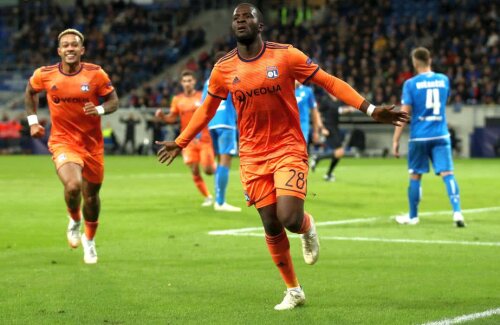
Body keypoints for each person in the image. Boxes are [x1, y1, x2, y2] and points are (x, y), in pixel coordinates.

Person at [156, 3, 408, 311]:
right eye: (236, 18)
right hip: (252, 155)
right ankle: (293, 289)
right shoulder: (223, 68)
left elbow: (328, 81)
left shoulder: (287, 55)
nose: (240, 21)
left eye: (247, 16)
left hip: (287, 147)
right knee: (270, 224)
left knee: (289, 218)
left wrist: (369, 109)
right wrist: (181, 142)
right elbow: (206, 109)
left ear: (260, 25)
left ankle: (307, 226)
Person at [24, 29, 119, 264]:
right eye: (65, 45)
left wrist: (98, 109)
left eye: (74, 45)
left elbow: (114, 101)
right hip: (63, 141)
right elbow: (30, 92)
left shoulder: (95, 74)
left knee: (92, 197)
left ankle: (90, 240)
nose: (70, 48)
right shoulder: (44, 75)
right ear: (59, 51)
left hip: (92, 145)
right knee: (74, 185)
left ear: (82, 50)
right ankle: (74, 220)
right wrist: (33, 121)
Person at [393, 47, 465, 227]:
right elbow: (443, 102)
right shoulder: (444, 80)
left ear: (415, 63)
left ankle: (413, 216)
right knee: (448, 174)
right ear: (430, 60)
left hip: (419, 136)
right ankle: (457, 213)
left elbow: (404, 113)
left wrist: (395, 140)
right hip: (441, 134)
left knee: (415, 175)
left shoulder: (410, 84)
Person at [156, 70, 215, 206]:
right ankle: (208, 196)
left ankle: (215, 166)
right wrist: (163, 117)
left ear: (194, 82)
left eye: (190, 80)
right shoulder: (177, 99)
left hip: (204, 137)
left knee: (208, 171)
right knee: (194, 169)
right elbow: (172, 117)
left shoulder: (202, 96)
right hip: (187, 140)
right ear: (181, 83)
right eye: (185, 81)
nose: (187, 83)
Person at [202, 53, 242, 212]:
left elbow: (203, 104)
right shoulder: (232, 78)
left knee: (219, 161)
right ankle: (220, 201)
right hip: (226, 124)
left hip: (212, 124)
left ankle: (218, 198)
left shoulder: (208, 80)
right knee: (225, 161)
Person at [310, 93, 357, 181]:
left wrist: (349, 109)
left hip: (335, 128)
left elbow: (338, 111)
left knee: (339, 153)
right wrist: (321, 128)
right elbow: (317, 113)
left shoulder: (337, 100)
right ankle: (319, 160)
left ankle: (327, 172)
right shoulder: (326, 100)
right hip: (328, 128)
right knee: (340, 151)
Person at [294, 81, 323, 147]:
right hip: (287, 128)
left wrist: (316, 131)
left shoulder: (308, 91)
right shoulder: (284, 90)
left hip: (303, 126)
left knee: (300, 150)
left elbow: (314, 111)